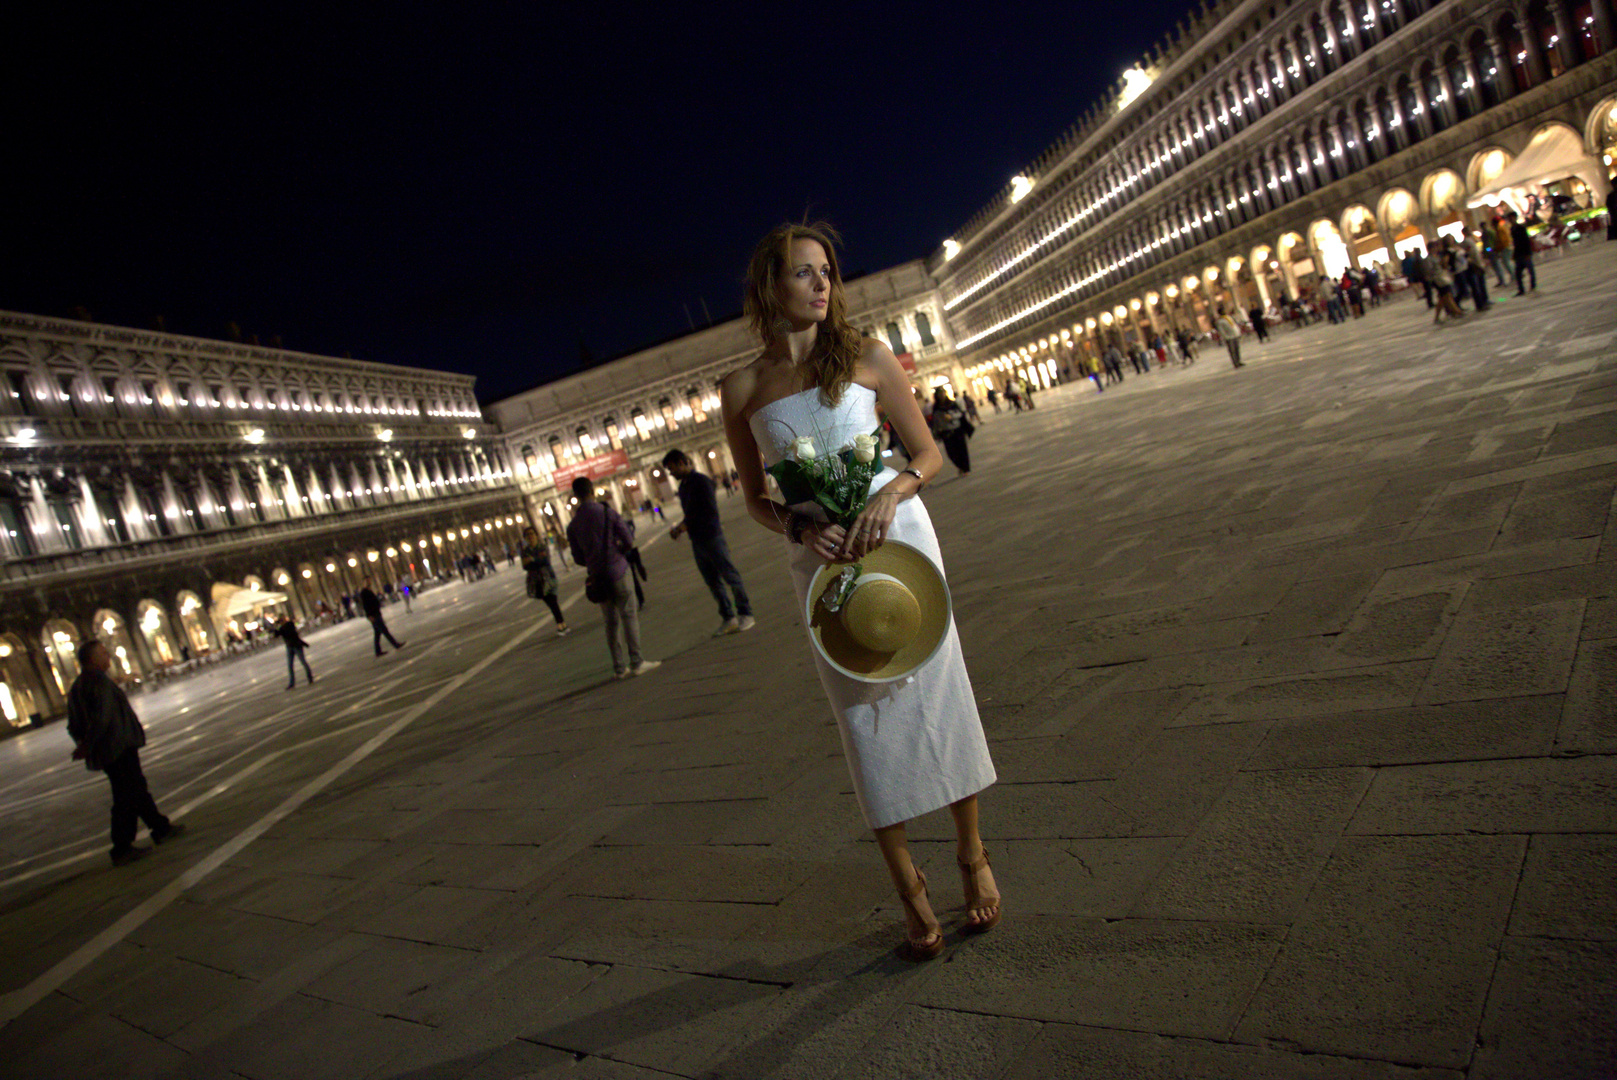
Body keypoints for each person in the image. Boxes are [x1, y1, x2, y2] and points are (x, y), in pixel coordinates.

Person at [722, 222, 999, 962]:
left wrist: (893, 493)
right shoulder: (743, 388)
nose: (821, 285)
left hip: (898, 533)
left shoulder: (869, 357)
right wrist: (796, 527)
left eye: (827, 273)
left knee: (939, 689)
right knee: (862, 713)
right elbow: (753, 497)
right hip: (822, 557)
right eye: (802, 273)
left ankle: (970, 854)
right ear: (767, 288)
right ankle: (905, 881)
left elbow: (928, 451)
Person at [67, 640, 184, 865]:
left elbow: (73, 724)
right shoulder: (98, 682)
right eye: (103, 653)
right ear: (92, 659)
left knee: (135, 788)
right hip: (117, 746)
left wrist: (85, 744)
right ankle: (121, 847)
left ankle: (160, 827)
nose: (108, 656)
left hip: (109, 748)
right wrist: (88, 744)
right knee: (125, 796)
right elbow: (103, 717)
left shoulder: (77, 687)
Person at [567, 477, 660, 679]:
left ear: (576, 496)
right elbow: (628, 540)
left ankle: (619, 668)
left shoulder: (573, 525)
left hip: (597, 577)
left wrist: (593, 561)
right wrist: (616, 551)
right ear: (592, 490)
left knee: (610, 622)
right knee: (628, 615)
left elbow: (577, 558)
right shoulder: (607, 512)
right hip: (618, 571)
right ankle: (637, 662)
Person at [664, 449, 756, 636]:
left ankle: (746, 614)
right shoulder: (683, 487)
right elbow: (690, 513)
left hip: (712, 537)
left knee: (730, 576)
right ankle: (728, 617)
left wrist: (684, 526)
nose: (671, 474)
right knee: (713, 582)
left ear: (682, 462)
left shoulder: (701, 482)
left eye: (672, 468)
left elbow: (708, 510)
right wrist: (682, 526)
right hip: (697, 540)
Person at [520, 525, 570, 636]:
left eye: (532, 534)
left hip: (549, 578)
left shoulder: (542, 547)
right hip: (537, 581)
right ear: (525, 538)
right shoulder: (525, 551)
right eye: (527, 535)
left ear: (536, 535)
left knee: (553, 602)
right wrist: (536, 561)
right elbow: (525, 566)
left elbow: (546, 561)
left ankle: (561, 624)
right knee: (552, 603)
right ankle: (562, 624)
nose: (530, 536)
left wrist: (532, 560)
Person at [929, 387, 973, 477]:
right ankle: (960, 466)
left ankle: (966, 468)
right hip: (946, 432)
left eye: (943, 393)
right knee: (951, 453)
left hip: (957, 430)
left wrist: (951, 416)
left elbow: (960, 414)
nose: (942, 395)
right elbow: (935, 422)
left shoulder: (952, 404)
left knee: (962, 450)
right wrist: (936, 432)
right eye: (939, 394)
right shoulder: (936, 407)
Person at [359, 577, 405, 656]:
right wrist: (369, 616)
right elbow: (365, 605)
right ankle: (395, 644)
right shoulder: (364, 592)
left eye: (369, 580)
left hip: (376, 613)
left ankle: (378, 651)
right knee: (384, 630)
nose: (369, 582)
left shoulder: (369, 590)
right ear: (364, 582)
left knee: (377, 633)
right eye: (367, 581)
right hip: (373, 615)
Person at [274, 614, 314, 689]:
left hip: (296, 645)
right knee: (290, 665)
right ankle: (291, 683)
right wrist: (276, 626)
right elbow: (276, 635)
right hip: (289, 647)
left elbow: (291, 634)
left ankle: (310, 677)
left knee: (303, 661)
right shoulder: (282, 627)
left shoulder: (289, 624)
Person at [1508, 209, 1536, 295]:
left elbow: (1526, 241)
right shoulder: (1512, 229)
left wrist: (1528, 253)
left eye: (1511, 218)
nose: (1510, 220)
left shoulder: (1521, 228)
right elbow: (1515, 243)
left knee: (1530, 270)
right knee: (1518, 274)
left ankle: (1533, 286)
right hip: (1518, 254)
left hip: (1524, 253)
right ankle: (1521, 289)